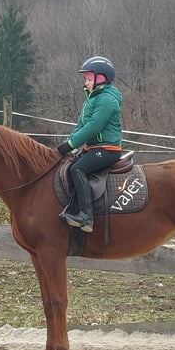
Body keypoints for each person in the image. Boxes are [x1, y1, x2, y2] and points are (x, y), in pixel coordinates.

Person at [57, 56, 122, 232]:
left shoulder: (107, 100)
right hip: (92, 148)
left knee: (77, 169)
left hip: (107, 149)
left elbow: (94, 126)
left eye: (87, 78)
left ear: (100, 78)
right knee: (68, 165)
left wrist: (71, 144)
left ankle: (86, 216)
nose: (85, 82)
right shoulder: (91, 100)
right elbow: (81, 126)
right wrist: (67, 144)